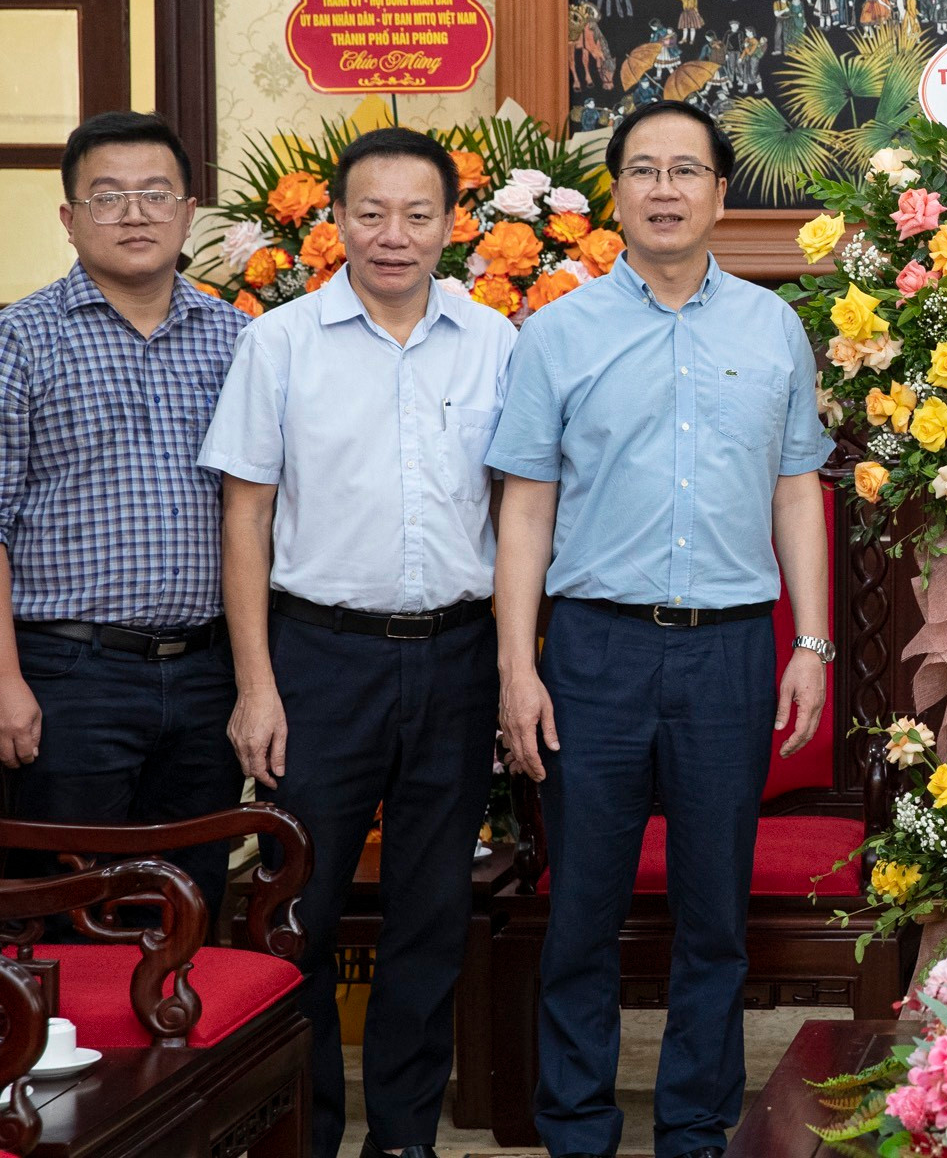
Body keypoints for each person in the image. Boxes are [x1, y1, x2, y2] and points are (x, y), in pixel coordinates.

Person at [488, 101, 833, 1158]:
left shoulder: (773, 328)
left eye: (688, 170)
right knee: (582, 909)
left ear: (722, 195)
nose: (666, 189)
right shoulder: (556, 333)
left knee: (713, 919)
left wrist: (810, 643)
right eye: (644, 170)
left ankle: (694, 1130)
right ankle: (577, 1132)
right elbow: (527, 509)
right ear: (618, 194)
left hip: (730, 648)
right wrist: (517, 667)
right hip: (593, 650)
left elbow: (794, 494)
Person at [201, 128, 516, 1158]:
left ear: (452, 225)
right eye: (371, 213)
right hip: (319, 660)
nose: (393, 235)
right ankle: (307, 1133)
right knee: (304, 912)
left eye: (417, 214)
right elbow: (244, 518)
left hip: (459, 660)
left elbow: (521, 512)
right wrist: (257, 685)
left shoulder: (495, 342)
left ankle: (405, 1141)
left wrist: (518, 667)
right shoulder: (279, 342)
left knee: (429, 917)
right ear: (335, 220)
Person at [0, 112, 246, 920]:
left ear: (189, 211)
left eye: (154, 194)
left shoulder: (241, 339)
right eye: (107, 198)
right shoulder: (19, 341)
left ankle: (181, 1050)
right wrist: (5, 681)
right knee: (64, 913)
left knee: (189, 907)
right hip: (68, 677)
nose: (134, 214)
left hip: (209, 676)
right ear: (69, 218)